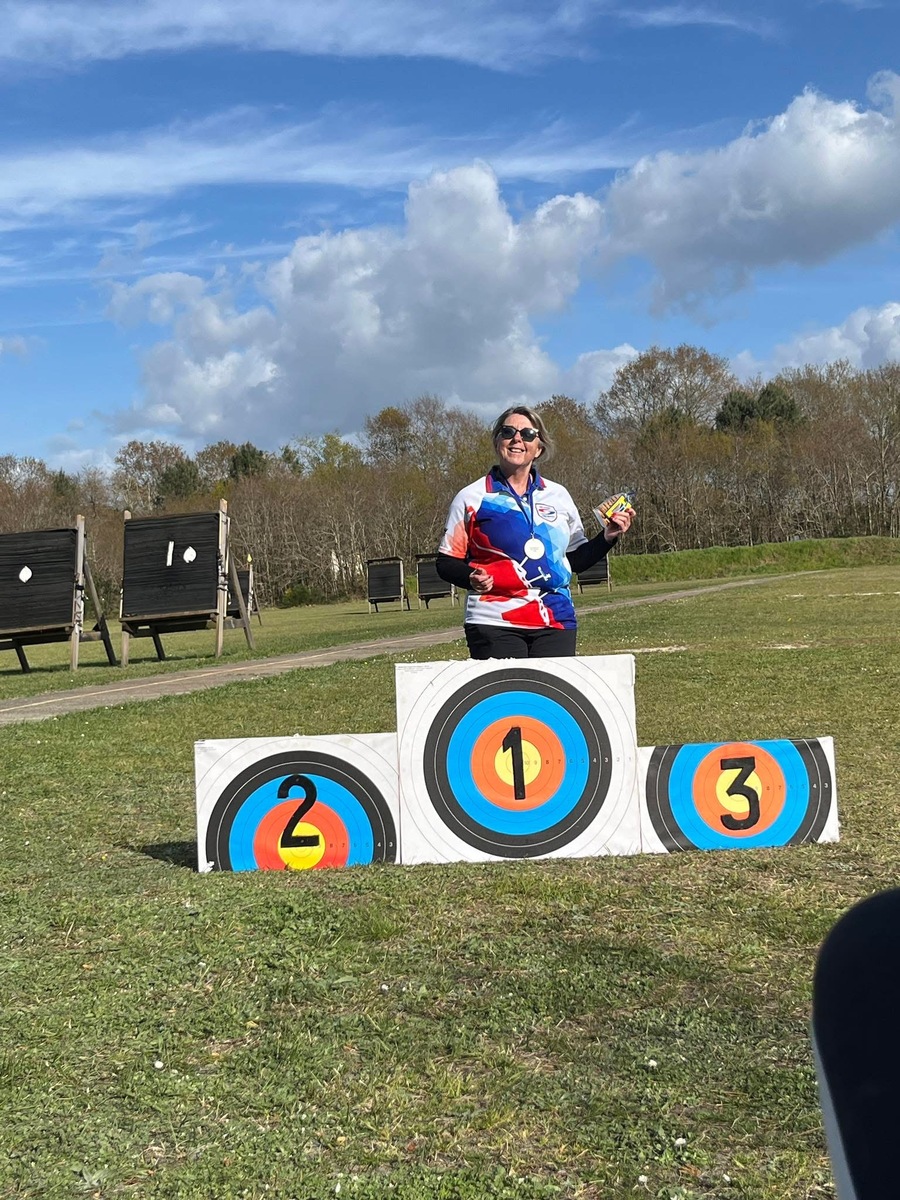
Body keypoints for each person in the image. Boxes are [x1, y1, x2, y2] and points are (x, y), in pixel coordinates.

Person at [435, 405, 634, 659]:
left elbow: (575, 561)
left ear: (538, 448)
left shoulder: (558, 495)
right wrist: (470, 577)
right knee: (511, 699)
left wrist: (608, 536)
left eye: (528, 434)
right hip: (494, 621)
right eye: (508, 432)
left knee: (551, 699)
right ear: (498, 442)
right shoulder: (472, 496)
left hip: (556, 620)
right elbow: (445, 562)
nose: (517, 438)